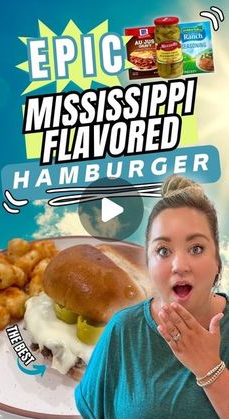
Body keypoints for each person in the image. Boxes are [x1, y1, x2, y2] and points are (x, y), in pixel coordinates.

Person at [75, 175, 229, 419]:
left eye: (196, 248)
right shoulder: (123, 329)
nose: (179, 265)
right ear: (148, 262)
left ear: (217, 261)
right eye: (163, 251)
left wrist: (210, 368)